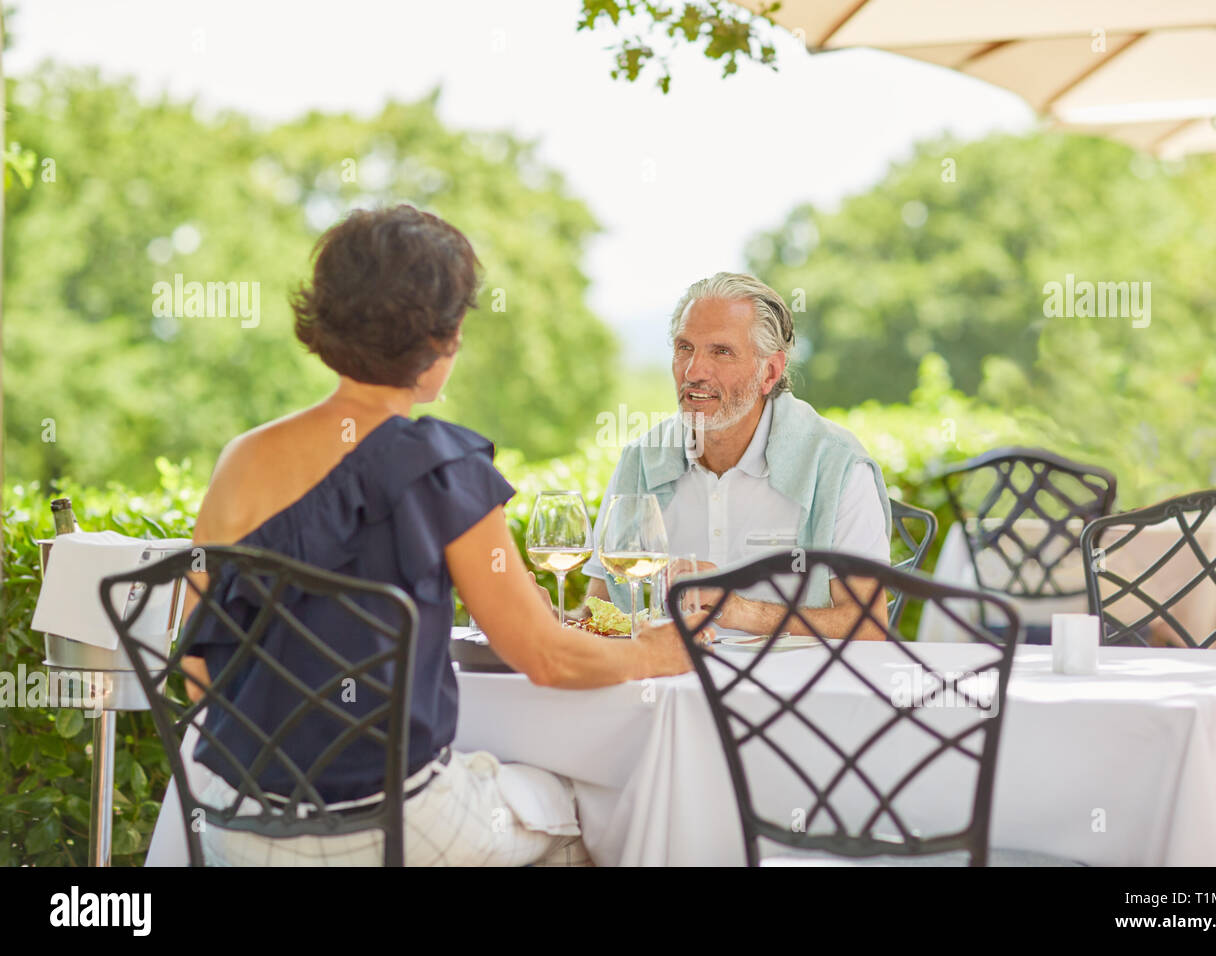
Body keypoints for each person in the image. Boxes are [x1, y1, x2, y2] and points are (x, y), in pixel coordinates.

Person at [180, 204, 701, 867]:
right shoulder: (441, 466)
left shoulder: (241, 461)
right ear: (441, 339)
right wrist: (657, 654)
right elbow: (547, 657)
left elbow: (199, 664)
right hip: (392, 829)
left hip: (237, 829)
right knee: (571, 815)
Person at [582, 272, 892, 639]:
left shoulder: (837, 467)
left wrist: (739, 610)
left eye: (722, 352)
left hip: (793, 692)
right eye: (684, 347)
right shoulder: (641, 460)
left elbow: (869, 627)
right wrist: (547, 619)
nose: (694, 371)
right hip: (667, 689)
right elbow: (599, 612)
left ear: (770, 372)